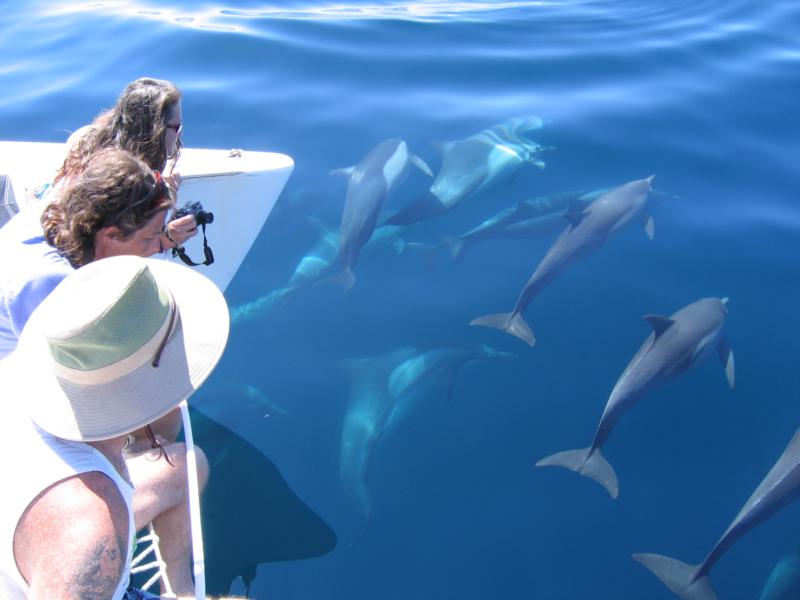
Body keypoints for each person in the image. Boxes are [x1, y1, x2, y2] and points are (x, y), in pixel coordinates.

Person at [0, 148, 207, 594]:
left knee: (188, 464)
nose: (157, 247)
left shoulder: (22, 369)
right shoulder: (92, 534)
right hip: (64, 546)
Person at [0, 254, 229, 599]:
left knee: (186, 466)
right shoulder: (91, 532)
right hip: (66, 561)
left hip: (37, 543)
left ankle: (179, 590)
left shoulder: (13, 373)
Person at [53, 76, 197, 249]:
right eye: (176, 127)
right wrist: (166, 238)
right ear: (156, 131)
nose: (179, 134)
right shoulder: (129, 182)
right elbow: (113, 248)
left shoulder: (83, 138)